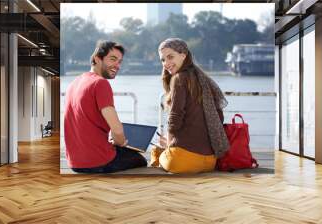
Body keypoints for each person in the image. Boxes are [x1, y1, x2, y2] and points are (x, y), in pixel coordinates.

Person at [64, 40, 147, 173]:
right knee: (141, 160)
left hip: (74, 162)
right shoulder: (100, 83)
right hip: (98, 161)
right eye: (112, 59)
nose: (117, 65)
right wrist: (120, 143)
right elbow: (117, 130)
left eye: (119, 61)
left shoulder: (74, 82)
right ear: (97, 59)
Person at [155, 38, 229, 174]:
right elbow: (219, 116)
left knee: (156, 152)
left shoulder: (179, 78)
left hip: (183, 161)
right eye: (163, 60)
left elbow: (175, 118)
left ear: (183, 55)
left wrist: (168, 145)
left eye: (170, 57)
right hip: (210, 161)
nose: (166, 63)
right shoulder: (203, 79)